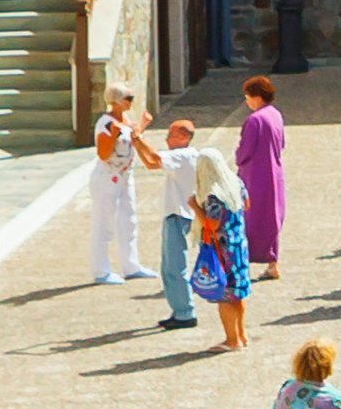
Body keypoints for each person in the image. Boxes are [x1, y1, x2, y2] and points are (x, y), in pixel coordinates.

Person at [151, 115, 217, 332]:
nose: (167, 140)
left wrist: (136, 137)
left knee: (174, 265)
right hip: (180, 213)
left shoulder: (182, 155)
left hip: (178, 214)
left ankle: (184, 312)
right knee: (169, 265)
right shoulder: (188, 155)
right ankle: (180, 310)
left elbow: (151, 161)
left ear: (182, 137)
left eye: (170, 135)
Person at [189, 154, 253, 352]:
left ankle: (231, 339)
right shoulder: (235, 182)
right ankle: (241, 335)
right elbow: (247, 204)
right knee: (237, 293)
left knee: (225, 295)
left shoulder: (214, 194)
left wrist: (194, 206)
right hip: (239, 244)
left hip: (222, 249)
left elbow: (212, 224)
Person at [233, 75, 292, 280]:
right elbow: (281, 143)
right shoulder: (275, 115)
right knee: (272, 217)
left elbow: (245, 150)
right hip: (274, 172)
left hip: (255, 174)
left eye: (248, 96)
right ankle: (272, 262)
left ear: (256, 97)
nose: (247, 101)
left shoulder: (254, 120)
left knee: (251, 217)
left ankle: (243, 263)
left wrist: (237, 158)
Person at [85, 90, 146, 288]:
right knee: (104, 223)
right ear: (116, 101)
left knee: (128, 220)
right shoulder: (106, 123)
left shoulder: (125, 119)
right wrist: (113, 134)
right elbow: (103, 153)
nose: (130, 102)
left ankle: (131, 266)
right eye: (128, 99)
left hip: (125, 177)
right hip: (107, 179)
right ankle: (101, 271)